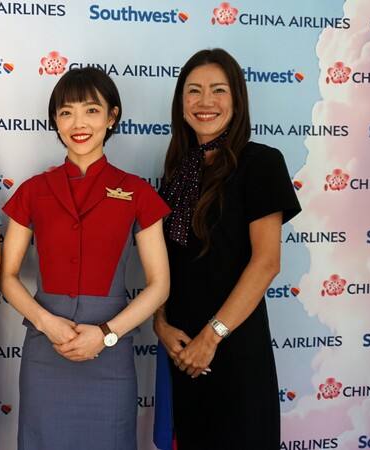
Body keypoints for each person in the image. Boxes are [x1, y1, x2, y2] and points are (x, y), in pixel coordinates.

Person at [0, 67, 171, 450]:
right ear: (55, 121)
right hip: (46, 351)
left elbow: (160, 285)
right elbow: (6, 275)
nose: (78, 123)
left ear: (112, 116)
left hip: (111, 356)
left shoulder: (137, 192)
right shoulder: (33, 191)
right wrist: (46, 322)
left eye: (91, 110)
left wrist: (107, 334)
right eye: (66, 112)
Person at [153, 48, 301, 450]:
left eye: (218, 90)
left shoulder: (262, 162)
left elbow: (267, 262)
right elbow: (169, 263)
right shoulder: (177, 170)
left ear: (236, 99)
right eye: (193, 91)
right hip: (182, 355)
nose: (205, 102)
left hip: (234, 351)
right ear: (180, 101)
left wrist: (211, 337)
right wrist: (161, 323)